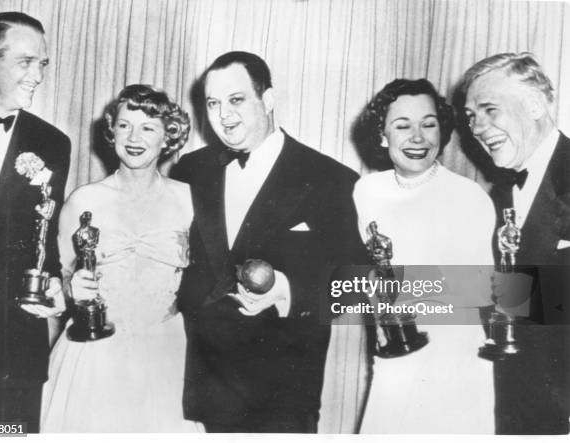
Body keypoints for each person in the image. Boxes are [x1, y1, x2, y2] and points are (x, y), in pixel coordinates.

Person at [170, 51, 363, 433]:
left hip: (284, 393)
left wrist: (290, 290)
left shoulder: (330, 178)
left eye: (236, 100)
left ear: (268, 100)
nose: (224, 116)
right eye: (213, 103)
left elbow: (357, 281)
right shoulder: (190, 170)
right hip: (204, 389)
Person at [40, 85, 198, 432]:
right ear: (111, 132)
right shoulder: (84, 201)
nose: (134, 137)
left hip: (166, 354)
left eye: (148, 127)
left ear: (168, 135)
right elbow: (59, 280)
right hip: (95, 355)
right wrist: (71, 288)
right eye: (125, 125)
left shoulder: (189, 201)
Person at [353, 79, 496, 433]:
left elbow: (482, 291)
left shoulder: (469, 197)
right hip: (394, 360)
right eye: (402, 125)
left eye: (428, 124)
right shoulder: (366, 192)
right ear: (382, 135)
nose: (417, 137)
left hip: (454, 366)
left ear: (442, 132)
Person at [0, 12, 70, 433]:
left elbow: (44, 236)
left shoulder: (53, 144)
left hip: (13, 345)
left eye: (42, 64)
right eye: (26, 62)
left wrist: (55, 284)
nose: (37, 75)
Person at [459, 52, 570, 435]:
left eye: (490, 109)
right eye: (471, 116)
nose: (477, 127)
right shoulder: (497, 196)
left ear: (535, 105)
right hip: (514, 409)